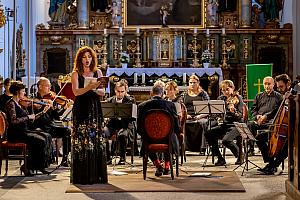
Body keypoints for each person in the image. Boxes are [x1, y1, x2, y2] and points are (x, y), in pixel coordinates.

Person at [71, 46, 107, 184]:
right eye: (84, 57)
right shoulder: (75, 73)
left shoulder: (97, 72)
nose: (87, 59)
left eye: (89, 57)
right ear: (80, 59)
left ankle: (96, 174)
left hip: (94, 107)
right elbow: (76, 92)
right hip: (81, 107)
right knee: (82, 140)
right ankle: (82, 175)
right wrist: (89, 87)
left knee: (95, 140)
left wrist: (96, 88)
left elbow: (103, 93)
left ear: (93, 58)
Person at [4, 81, 53, 176]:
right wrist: (28, 117)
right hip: (16, 134)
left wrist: (43, 112)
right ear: (17, 92)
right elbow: (13, 121)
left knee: (47, 136)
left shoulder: (19, 104)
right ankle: (27, 166)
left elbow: (31, 119)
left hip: (24, 131)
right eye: (23, 91)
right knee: (40, 140)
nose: (25, 93)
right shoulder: (11, 104)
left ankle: (41, 165)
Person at [137, 83, 180, 177]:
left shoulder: (141, 106)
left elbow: (139, 128)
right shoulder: (170, 105)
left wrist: (147, 134)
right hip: (167, 139)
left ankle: (158, 165)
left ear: (151, 93)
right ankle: (167, 166)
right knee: (172, 136)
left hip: (149, 139)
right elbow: (176, 126)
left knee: (144, 139)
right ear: (163, 93)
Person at [257, 74, 295, 174]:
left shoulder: (295, 95)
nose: (279, 89)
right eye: (278, 87)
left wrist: (292, 99)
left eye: (281, 87)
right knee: (259, 137)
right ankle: (270, 163)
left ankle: (274, 165)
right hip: (281, 127)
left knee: (287, 144)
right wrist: (266, 116)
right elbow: (276, 110)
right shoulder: (282, 96)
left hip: (293, 128)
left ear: (288, 84)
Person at [32, 77, 72, 166]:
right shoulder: (33, 99)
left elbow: (56, 116)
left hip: (50, 126)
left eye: (50, 86)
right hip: (39, 127)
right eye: (47, 86)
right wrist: (43, 105)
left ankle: (65, 158)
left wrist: (64, 108)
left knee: (67, 131)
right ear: (40, 87)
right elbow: (34, 114)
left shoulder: (51, 99)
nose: (50, 88)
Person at [204, 80, 244, 166]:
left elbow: (240, 116)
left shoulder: (238, 98)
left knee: (226, 140)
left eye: (227, 89)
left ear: (232, 88)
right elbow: (217, 113)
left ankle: (240, 155)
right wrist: (217, 116)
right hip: (225, 124)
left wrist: (234, 111)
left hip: (236, 125)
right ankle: (220, 158)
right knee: (209, 133)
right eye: (223, 90)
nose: (225, 92)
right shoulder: (220, 99)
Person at [247, 76, 283, 158]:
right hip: (259, 121)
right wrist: (257, 116)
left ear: (273, 84)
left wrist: (266, 117)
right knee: (250, 125)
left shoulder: (279, 96)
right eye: (265, 84)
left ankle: (270, 150)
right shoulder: (259, 96)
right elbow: (253, 109)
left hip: (271, 121)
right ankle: (251, 148)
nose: (267, 86)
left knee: (269, 131)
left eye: (269, 84)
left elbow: (278, 111)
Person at [103, 80, 136, 165]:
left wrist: (122, 117)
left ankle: (122, 157)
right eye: (118, 91)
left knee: (122, 135)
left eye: (122, 92)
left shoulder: (130, 100)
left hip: (125, 125)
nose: (120, 94)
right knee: (103, 132)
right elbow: (106, 115)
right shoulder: (110, 100)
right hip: (112, 125)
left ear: (125, 91)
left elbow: (133, 118)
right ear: (115, 90)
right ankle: (108, 157)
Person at [182, 75, 209, 153]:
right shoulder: (184, 94)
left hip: (201, 116)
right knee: (183, 124)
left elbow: (208, 107)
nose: (192, 84)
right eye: (190, 83)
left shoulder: (203, 94)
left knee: (202, 123)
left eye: (194, 82)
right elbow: (181, 107)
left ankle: (202, 148)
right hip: (188, 116)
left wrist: (201, 115)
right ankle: (185, 147)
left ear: (198, 83)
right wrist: (185, 115)